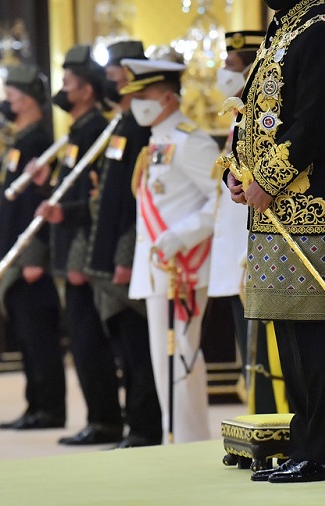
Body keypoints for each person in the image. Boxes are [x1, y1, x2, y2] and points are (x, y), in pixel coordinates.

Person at [228, 0, 325, 484]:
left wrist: (268, 178)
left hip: (313, 209)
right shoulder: (278, 36)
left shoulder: (323, 34)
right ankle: (305, 442)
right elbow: (257, 117)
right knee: (288, 332)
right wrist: (239, 170)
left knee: (315, 336)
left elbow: (311, 125)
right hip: (274, 210)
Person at [0, 65, 66, 430]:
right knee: (25, 335)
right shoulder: (19, 141)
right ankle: (34, 405)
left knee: (38, 336)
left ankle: (49, 408)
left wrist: (35, 255)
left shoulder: (37, 140)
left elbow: (37, 200)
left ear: (27, 100)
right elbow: (10, 196)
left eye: (11, 96)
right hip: (11, 252)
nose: (6, 102)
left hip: (28, 254)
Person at [124, 54, 219, 444]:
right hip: (157, 268)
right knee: (162, 361)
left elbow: (221, 201)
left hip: (182, 266)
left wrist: (180, 236)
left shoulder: (189, 140)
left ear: (165, 98)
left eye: (142, 95)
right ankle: (173, 435)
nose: (135, 104)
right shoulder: (158, 141)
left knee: (181, 354)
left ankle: (189, 437)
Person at [34, 43, 123, 445]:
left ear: (87, 90)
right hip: (70, 246)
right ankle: (97, 416)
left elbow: (93, 200)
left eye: (68, 83)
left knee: (90, 341)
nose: (62, 90)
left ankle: (105, 420)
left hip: (84, 253)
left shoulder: (94, 131)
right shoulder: (75, 132)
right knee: (81, 340)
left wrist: (76, 256)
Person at [82, 40, 163, 448]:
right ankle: (135, 425)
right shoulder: (119, 124)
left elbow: (138, 203)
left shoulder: (139, 128)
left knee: (137, 350)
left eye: (120, 78)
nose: (114, 84)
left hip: (125, 257)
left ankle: (144, 428)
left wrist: (125, 257)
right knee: (124, 351)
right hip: (106, 254)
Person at [209, 30, 280, 415]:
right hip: (239, 252)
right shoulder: (238, 117)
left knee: (263, 348)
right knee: (247, 345)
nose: (223, 72)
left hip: (253, 251)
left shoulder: (259, 117)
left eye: (231, 65)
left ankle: (269, 418)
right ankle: (258, 415)